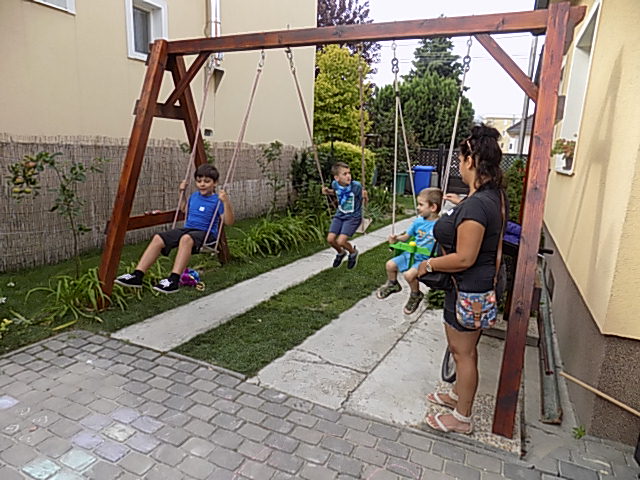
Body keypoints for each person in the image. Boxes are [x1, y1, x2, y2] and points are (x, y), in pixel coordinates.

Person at [417, 124, 505, 434]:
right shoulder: (486, 196)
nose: (458, 163)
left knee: (464, 354)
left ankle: (462, 418)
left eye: (460, 158)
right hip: (465, 287)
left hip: (470, 289)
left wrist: (428, 264)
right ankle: (457, 395)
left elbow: (465, 257)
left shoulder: (479, 204)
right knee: (460, 350)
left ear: (472, 160)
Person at [115, 164, 234, 294]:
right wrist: (181, 193)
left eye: (207, 181)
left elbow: (229, 221)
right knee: (158, 238)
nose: (202, 184)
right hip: (189, 229)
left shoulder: (218, 200)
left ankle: (174, 280)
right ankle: (137, 275)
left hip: (207, 233)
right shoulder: (194, 196)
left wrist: (226, 202)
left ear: (215, 183)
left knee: (186, 239)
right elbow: (184, 209)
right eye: (199, 181)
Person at [376, 187, 442, 315]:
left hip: (425, 259)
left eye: (421, 205)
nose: (417, 207)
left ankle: (415, 294)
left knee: (409, 275)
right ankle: (393, 284)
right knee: (390, 265)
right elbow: (406, 236)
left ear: (433, 207)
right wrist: (396, 239)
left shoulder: (440, 224)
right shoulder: (418, 222)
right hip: (411, 254)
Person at [321, 162, 366, 269]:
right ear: (337, 178)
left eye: (349, 173)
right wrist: (328, 192)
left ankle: (353, 252)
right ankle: (341, 253)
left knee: (341, 241)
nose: (348, 176)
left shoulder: (356, 186)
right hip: (340, 215)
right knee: (330, 239)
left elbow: (364, 199)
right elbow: (337, 192)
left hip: (353, 217)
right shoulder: (335, 184)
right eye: (344, 174)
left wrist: (365, 197)